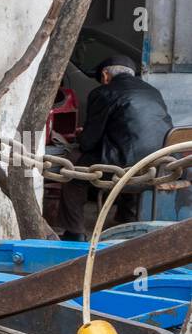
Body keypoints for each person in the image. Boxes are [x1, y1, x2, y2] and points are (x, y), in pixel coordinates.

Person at [58, 54, 172, 240]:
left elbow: (88, 142)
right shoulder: (153, 91)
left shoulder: (103, 92)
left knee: (71, 169)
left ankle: (74, 232)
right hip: (158, 166)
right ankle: (125, 216)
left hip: (124, 165)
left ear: (105, 75)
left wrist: (81, 133)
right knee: (135, 152)